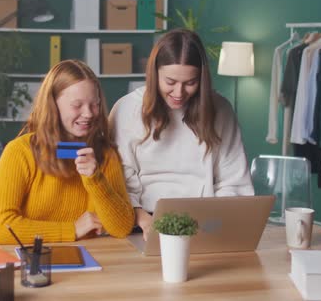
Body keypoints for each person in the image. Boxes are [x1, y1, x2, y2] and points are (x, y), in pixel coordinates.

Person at [109, 29, 254, 240]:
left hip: (205, 220)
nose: (179, 93)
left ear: (202, 79)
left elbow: (233, 180)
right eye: (170, 82)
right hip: (142, 222)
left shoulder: (221, 109)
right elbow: (120, 180)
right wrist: (143, 219)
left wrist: (218, 220)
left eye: (190, 83)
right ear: (154, 73)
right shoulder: (126, 109)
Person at [0, 59, 134, 244]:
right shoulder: (19, 152)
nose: (89, 113)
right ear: (53, 105)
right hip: (33, 259)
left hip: (90, 259)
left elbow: (122, 228)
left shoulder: (105, 154)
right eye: (77, 105)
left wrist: (95, 179)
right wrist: (72, 230)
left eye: (94, 104)